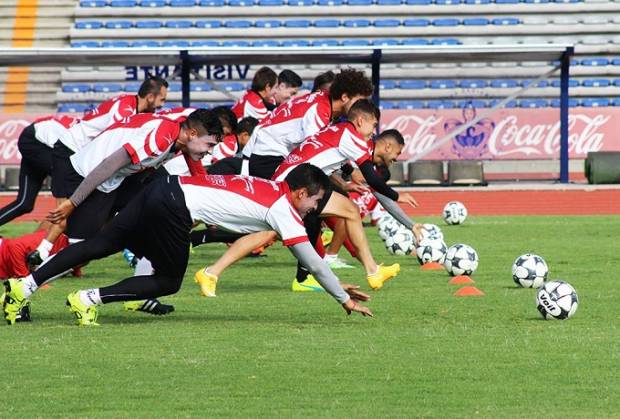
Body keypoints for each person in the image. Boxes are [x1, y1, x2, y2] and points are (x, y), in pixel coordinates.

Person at [3, 164, 373, 326]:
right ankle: (87, 299)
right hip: (174, 206)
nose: (315, 209)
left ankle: (24, 286)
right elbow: (314, 261)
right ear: (301, 193)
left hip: (164, 189)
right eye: (315, 202)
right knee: (168, 281)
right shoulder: (285, 211)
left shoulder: (269, 187)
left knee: (103, 243)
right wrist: (342, 297)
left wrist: (337, 286)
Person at [29, 77, 169, 264]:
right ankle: (32, 251)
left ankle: (44, 254)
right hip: (71, 152)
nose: (162, 105)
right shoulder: (125, 110)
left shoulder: (130, 105)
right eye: (162, 100)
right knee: (63, 216)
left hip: (84, 157)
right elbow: (111, 143)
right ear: (150, 97)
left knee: (74, 217)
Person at [46, 109, 223, 243]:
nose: (210, 152)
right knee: (75, 241)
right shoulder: (160, 137)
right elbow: (108, 165)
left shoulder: (180, 141)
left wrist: (213, 214)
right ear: (192, 134)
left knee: (148, 210)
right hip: (88, 174)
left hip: (110, 181)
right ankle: (29, 253)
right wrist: (73, 202)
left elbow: (200, 177)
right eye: (209, 144)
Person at [242, 68, 373, 180]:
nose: (362, 107)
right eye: (359, 101)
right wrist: (350, 172)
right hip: (268, 159)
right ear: (344, 97)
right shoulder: (319, 110)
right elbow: (312, 154)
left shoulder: (324, 101)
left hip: (270, 155)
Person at [0, 115, 78, 227]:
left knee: (24, 204)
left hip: (37, 138)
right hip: (35, 140)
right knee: (69, 181)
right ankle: (59, 234)